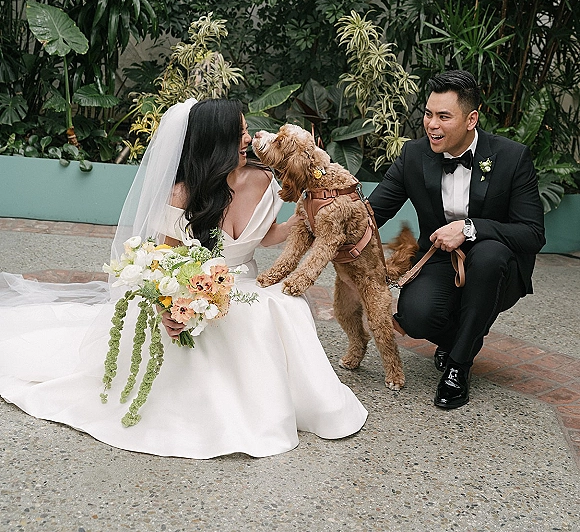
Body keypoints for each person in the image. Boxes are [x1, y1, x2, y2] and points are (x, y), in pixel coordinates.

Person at [0, 98, 367, 458]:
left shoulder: (264, 179)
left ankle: (297, 402)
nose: (248, 138)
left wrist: (301, 223)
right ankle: (215, 410)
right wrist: (172, 305)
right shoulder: (184, 191)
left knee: (285, 307)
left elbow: (264, 234)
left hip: (249, 283)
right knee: (225, 325)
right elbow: (164, 259)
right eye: (239, 133)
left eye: (245, 130)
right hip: (199, 286)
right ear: (216, 142)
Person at [368, 71, 545, 409]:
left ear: (470, 119)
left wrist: (468, 228)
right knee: (415, 316)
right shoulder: (414, 155)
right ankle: (465, 335)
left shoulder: (511, 157)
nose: (432, 124)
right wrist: (333, 216)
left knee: (489, 256)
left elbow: (532, 233)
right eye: (428, 114)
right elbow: (373, 212)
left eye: (443, 116)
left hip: (497, 266)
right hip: (438, 259)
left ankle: (458, 366)